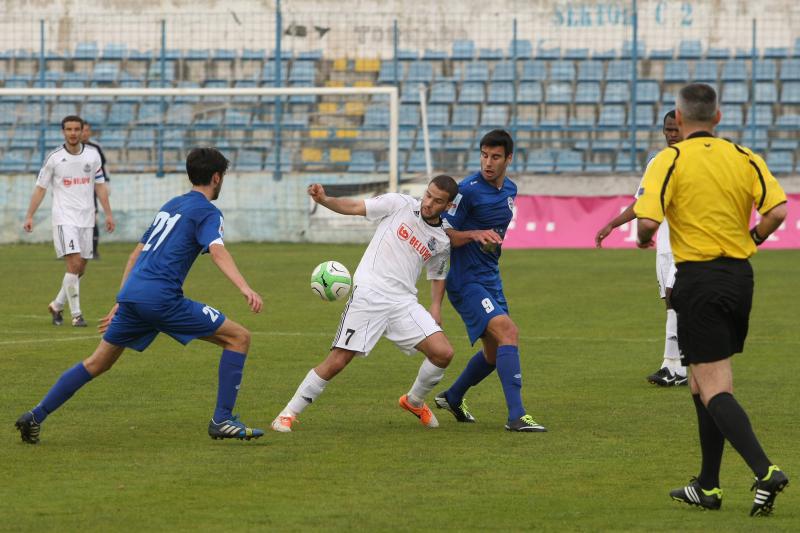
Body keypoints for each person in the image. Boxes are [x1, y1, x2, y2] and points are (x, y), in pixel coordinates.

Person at [15, 147, 265, 444]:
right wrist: (244, 287)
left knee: (97, 363)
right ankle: (222, 419)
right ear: (216, 177)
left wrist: (121, 300)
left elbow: (135, 254)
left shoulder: (171, 205)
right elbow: (217, 250)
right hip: (162, 299)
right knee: (239, 338)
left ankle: (35, 415)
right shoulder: (208, 212)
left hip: (134, 295)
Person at [634, 83, 789, 516]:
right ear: (718, 118)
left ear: (678, 121)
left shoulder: (670, 159)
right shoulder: (744, 157)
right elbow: (777, 211)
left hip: (699, 279)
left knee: (713, 386)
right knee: (702, 382)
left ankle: (765, 470)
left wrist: (645, 238)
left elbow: (647, 222)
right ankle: (708, 486)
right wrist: (753, 236)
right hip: (740, 277)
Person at [271, 175, 459, 432]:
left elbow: (438, 274)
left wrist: (436, 306)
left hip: (403, 302)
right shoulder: (399, 204)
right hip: (370, 292)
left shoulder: (441, 240)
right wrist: (324, 200)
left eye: (437, 201)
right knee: (339, 359)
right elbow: (356, 207)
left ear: (448, 206)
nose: (428, 203)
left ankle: (414, 401)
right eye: (428, 195)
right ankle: (287, 413)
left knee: (443, 353)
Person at [434, 129, 546, 432]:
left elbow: (494, 234)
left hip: (490, 278)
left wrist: (490, 243)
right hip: (465, 280)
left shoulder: (510, 189)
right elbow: (443, 234)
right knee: (509, 331)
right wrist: (473, 234)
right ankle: (517, 416)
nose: (488, 162)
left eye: (495, 157)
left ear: (508, 158)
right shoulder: (466, 190)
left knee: (495, 354)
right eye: (484, 155)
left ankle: (453, 396)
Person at [595, 110, 686, 386]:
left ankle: (680, 367)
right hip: (665, 246)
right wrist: (613, 224)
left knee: (676, 298)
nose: (672, 135)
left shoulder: (694, 161)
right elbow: (642, 202)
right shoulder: (657, 162)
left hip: (690, 246)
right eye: (667, 130)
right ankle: (672, 366)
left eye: (676, 129)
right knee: (670, 304)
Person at [23, 115, 115, 327]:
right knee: (73, 263)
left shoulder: (92, 156)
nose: (73, 133)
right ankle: (76, 315)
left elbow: (100, 185)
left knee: (80, 268)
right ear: (63, 132)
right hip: (64, 217)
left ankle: (56, 304)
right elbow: (40, 188)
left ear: (83, 131)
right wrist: (30, 215)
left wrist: (108, 213)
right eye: (68, 129)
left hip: (87, 217)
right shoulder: (54, 158)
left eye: (76, 129)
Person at [81, 120, 110, 260]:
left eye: (87, 130)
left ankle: (94, 250)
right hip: (73, 190)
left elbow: (102, 168)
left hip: (92, 189)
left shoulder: (95, 148)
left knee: (92, 218)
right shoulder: (70, 149)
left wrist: (106, 184)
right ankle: (71, 251)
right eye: (83, 130)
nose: (85, 133)